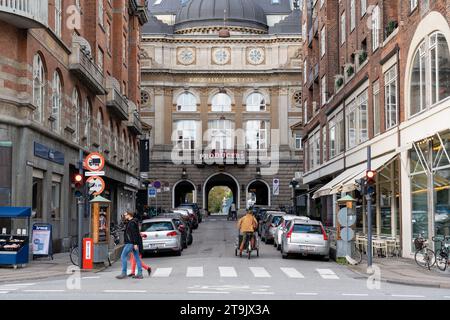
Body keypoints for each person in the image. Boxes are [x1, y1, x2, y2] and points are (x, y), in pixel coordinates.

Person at [116, 211, 144, 279]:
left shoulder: (131, 223)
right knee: (137, 258)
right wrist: (135, 243)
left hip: (130, 243)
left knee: (123, 256)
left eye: (126, 215)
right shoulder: (132, 222)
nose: (125, 216)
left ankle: (124, 273)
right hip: (133, 243)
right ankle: (140, 273)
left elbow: (134, 234)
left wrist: (135, 244)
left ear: (129, 215)